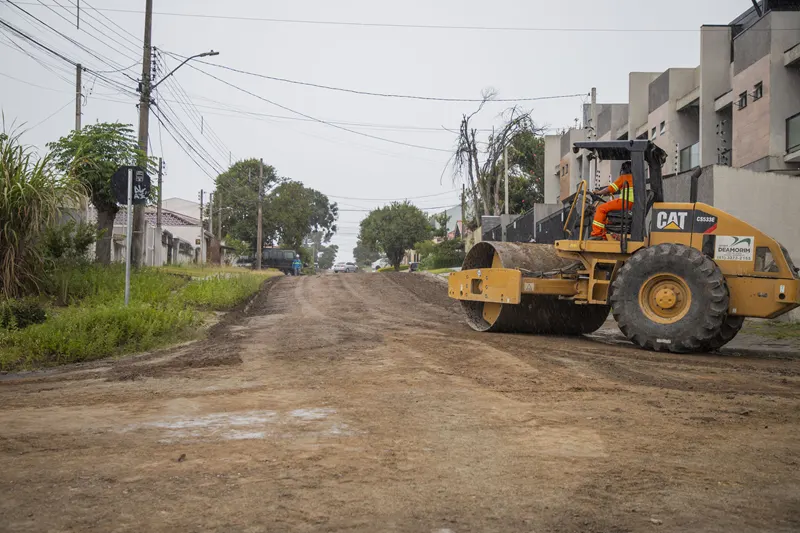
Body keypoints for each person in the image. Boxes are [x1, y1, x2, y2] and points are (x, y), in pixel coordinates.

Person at [590, 161, 634, 240]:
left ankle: (597, 234)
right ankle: (605, 233)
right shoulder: (635, 178)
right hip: (631, 204)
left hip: (625, 202)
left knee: (601, 209)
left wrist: (598, 192)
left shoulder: (624, 177)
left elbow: (610, 189)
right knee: (607, 208)